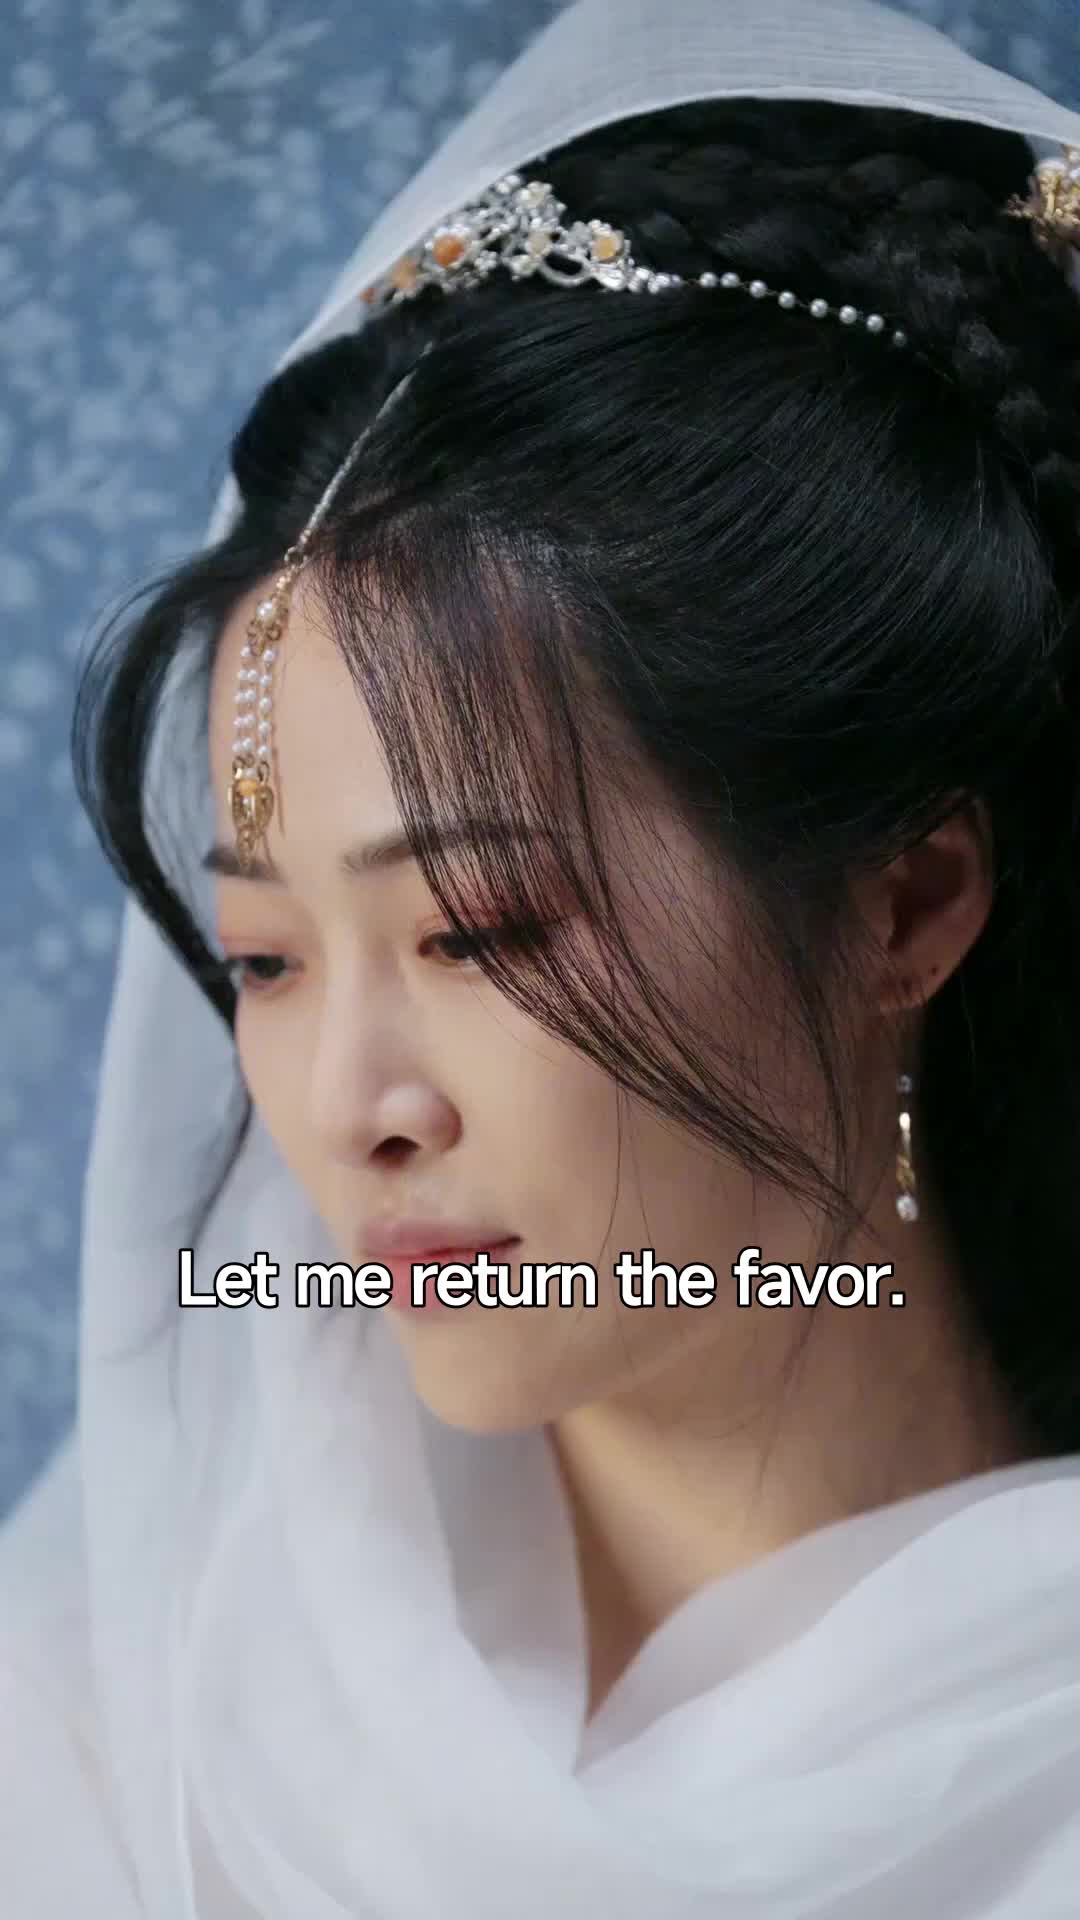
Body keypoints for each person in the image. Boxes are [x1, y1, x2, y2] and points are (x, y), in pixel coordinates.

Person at [2, 0, 1079, 1912]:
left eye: (475, 930)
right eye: (265, 961)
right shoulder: (122, 1707)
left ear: (905, 904)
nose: (353, 1111)